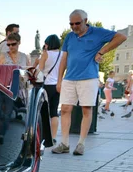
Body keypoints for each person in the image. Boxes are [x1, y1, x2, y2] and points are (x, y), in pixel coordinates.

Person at [52, 9, 127, 155]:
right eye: (71, 24)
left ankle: (81, 144)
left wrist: (101, 52)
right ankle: (65, 143)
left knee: (86, 109)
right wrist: (59, 80)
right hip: (70, 78)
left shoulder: (97, 32)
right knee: (66, 109)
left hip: (88, 77)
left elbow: (121, 37)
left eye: (77, 23)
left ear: (86, 21)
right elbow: (64, 58)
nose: (74, 26)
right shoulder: (69, 37)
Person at [37, 34, 62, 142]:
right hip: (59, 85)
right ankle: (53, 137)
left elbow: (40, 69)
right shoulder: (62, 54)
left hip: (47, 85)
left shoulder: (46, 54)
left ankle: (44, 136)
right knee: (54, 111)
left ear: (48, 44)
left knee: (43, 111)